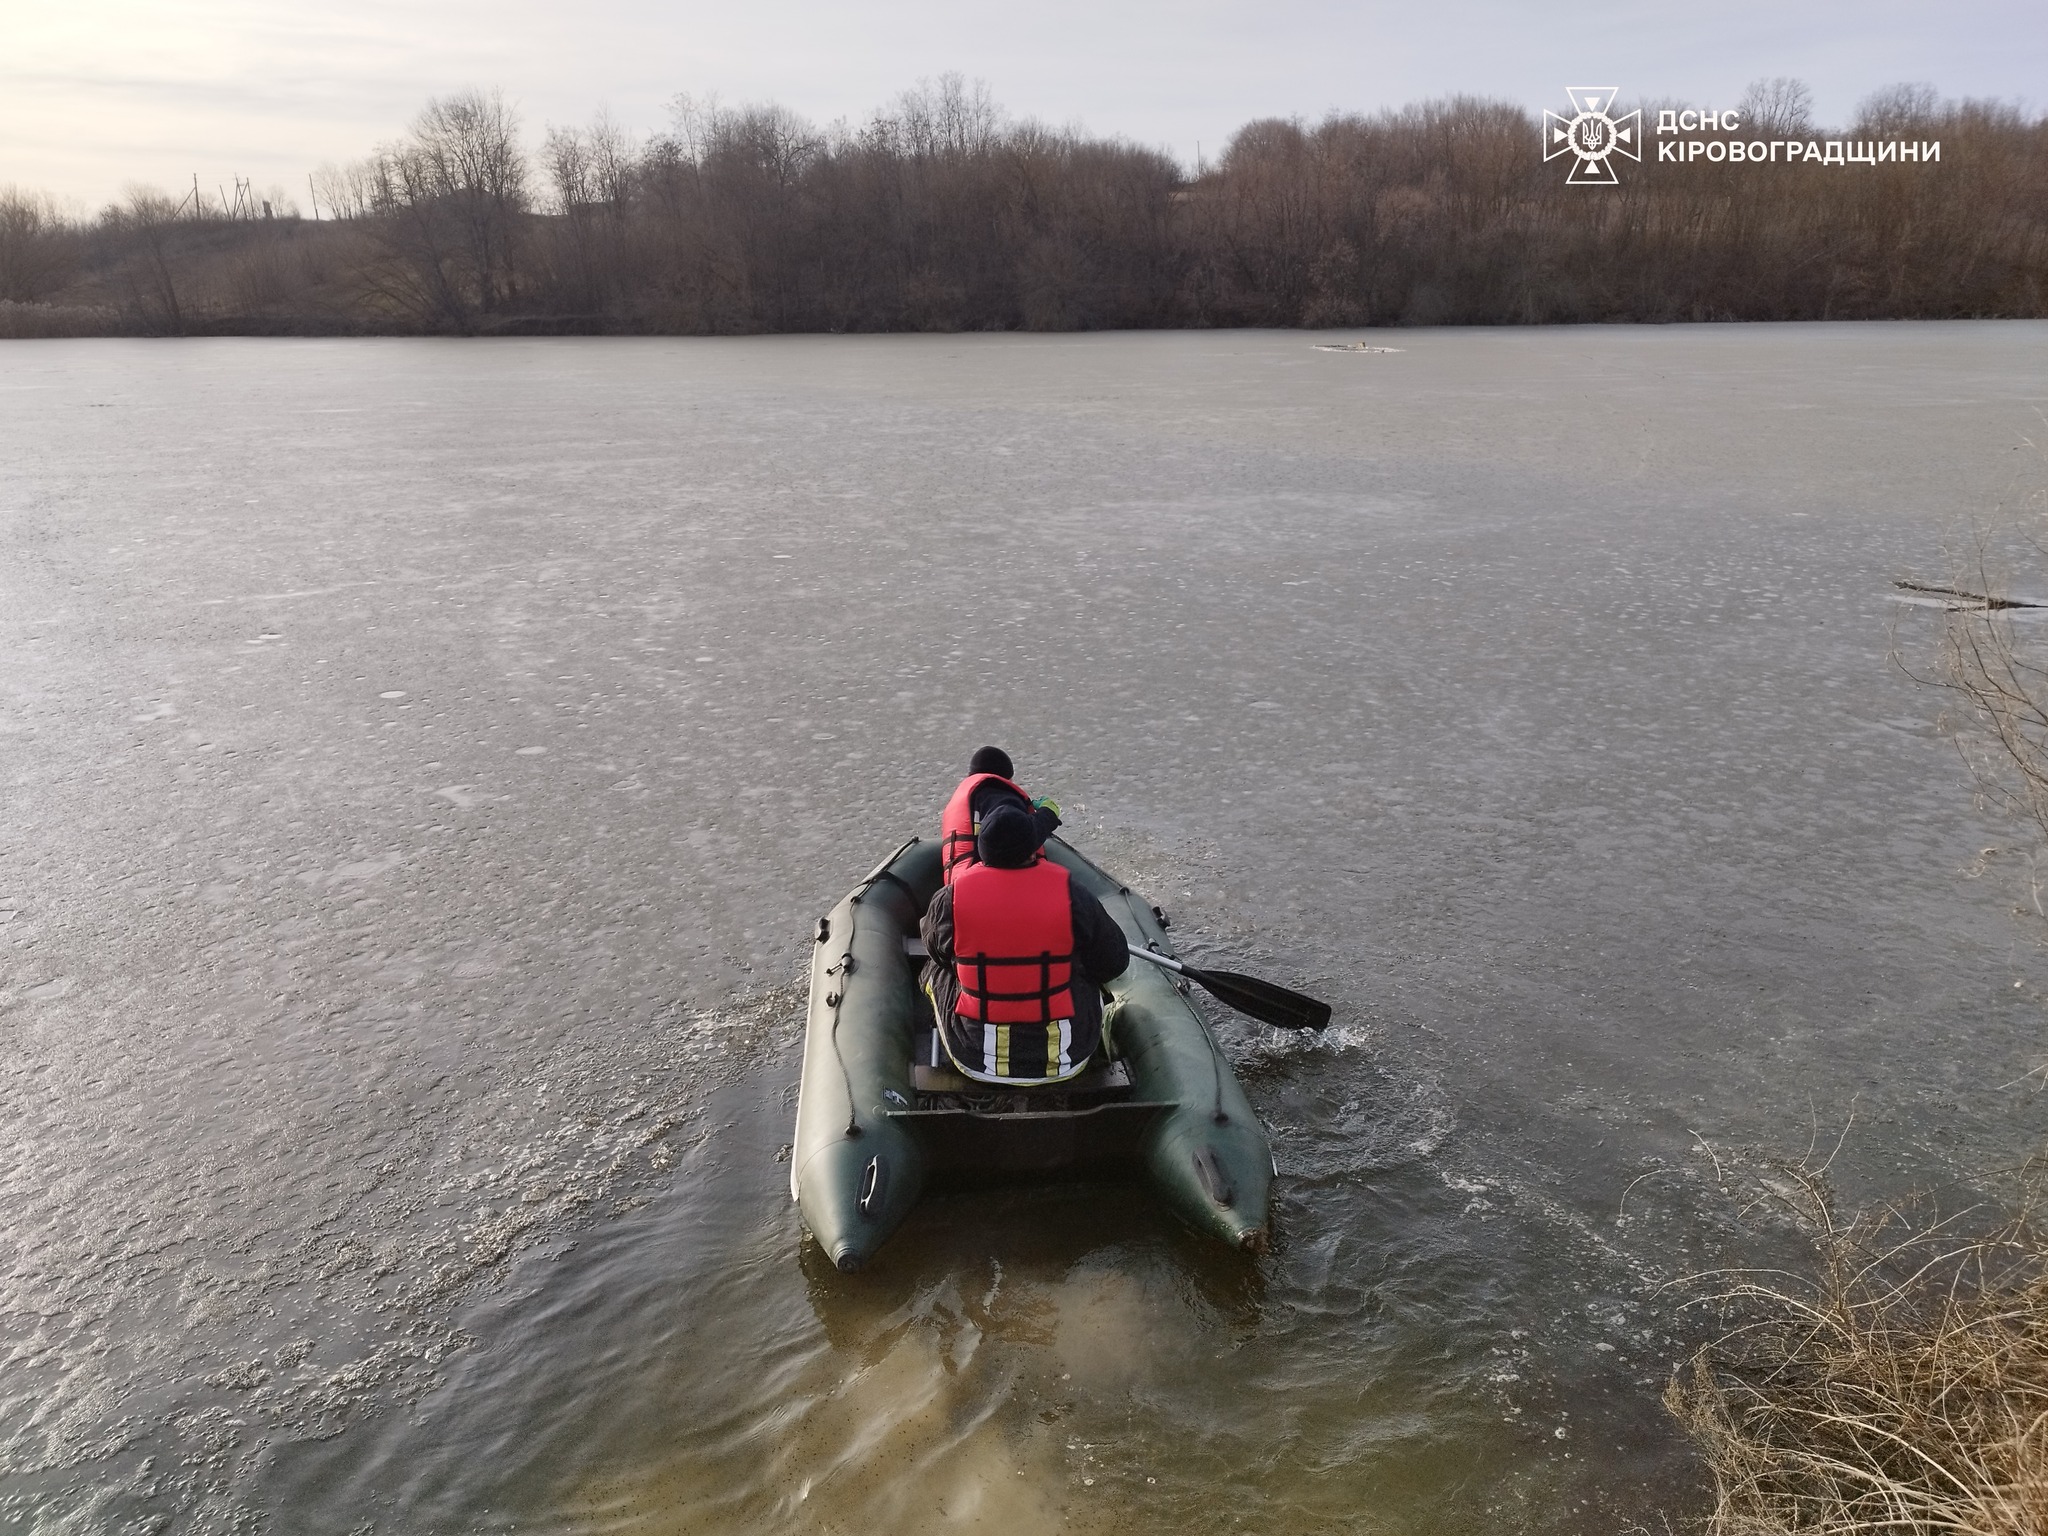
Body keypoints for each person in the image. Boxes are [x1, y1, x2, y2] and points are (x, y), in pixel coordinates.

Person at [921, 801, 1130, 1085]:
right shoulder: (1073, 895)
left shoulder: (949, 899)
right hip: (1066, 1056)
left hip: (977, 1056)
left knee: (934, 969)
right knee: (1089, 969)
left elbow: (939, 953)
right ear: (1033, 848)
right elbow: (1114, 963)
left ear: (982, 850)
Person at [939, 745, 1062, 883]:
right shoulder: (1000, 797)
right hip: (994, 884)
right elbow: (1018, 837)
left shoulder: (961, 800)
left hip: (959, 886)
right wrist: (1048, 813)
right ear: (1006, 778)